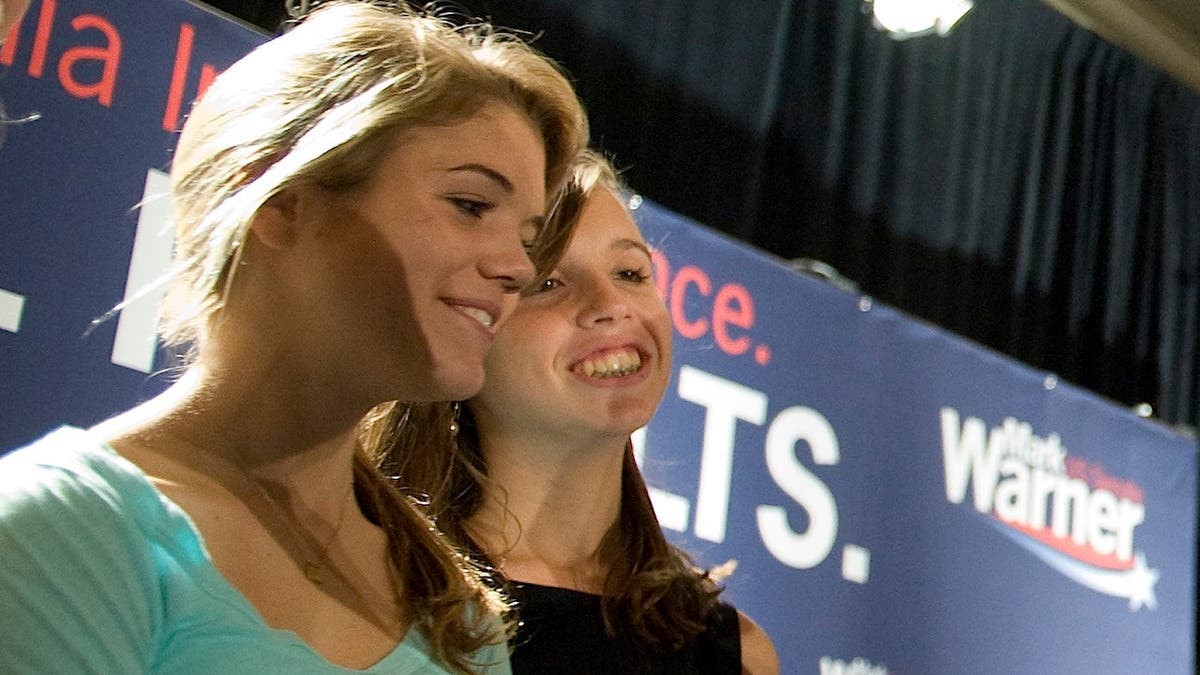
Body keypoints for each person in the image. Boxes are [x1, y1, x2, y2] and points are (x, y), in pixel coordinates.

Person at [0, 2, 588, 673]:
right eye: (470, 205)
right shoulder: (66, 527)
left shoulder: (458, 612)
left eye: (526, 239)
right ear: (280, 201)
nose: (518, 269)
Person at [371, 151, 779, 673]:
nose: (612, 304)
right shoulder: (371, 589)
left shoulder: (733, 652)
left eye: (630, 273)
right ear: (471, 328)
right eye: (548, 283)